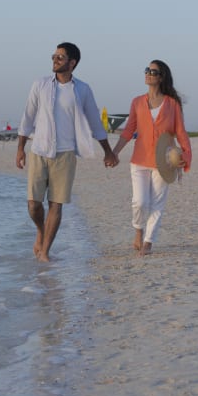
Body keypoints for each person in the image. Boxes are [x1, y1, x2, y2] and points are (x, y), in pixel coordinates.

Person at [16, 42, 118, 261]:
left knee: (56, 204)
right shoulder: (40, 84)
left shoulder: (82, 89)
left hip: (66, 154)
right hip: (39, 150)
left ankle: (45, 252)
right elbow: (28, 116)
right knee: (33, 204)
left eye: (60, 57)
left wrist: (108, 152)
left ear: (72, 63)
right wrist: (20, 149)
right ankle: (41, 230)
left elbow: (95, 122)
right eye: (54, 56)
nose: (55, 59)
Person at [111, 58, 191, 255]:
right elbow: (129, 130)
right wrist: (114, 152)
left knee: (157, 204)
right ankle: (138, 230)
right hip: (139, 159)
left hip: (164, 161)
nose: (148, 74)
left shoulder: (172, 104)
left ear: (161, 77)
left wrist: (186, 155)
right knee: (140, 202)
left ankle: (148, 242)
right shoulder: (137, 102)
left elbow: (181, 132)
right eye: (147, 70)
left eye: (153, 72)